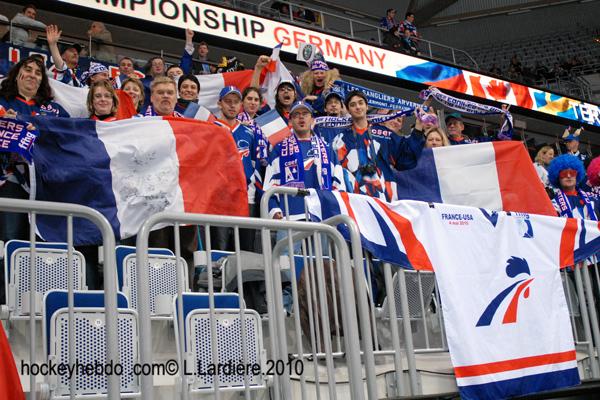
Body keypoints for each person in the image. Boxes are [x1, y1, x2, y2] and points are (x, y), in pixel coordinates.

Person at [0, 56, 69, 301]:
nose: (32, 75)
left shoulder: (54, 109)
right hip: (11, 181)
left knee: (43, 244)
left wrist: (39, 131)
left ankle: (38, 301)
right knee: (11, 239)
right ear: (17, 74)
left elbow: (69, 137)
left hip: (46, 186)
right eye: (27, 70)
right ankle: (7, 302)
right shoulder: (2, 102)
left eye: (38, 72)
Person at [330, 90, 424, 201]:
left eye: (361, 103)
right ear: (348, 110)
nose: (358, 107)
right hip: (353, 200)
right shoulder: (340, 139)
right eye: (353, 105)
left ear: (367, 106)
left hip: (384, 200)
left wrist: (418, 127)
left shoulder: (384, 134)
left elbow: (406, 159)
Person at [212, 86, 259, 251]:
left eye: (236, 102)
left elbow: (254, 164)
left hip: (246, 196)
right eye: (228, 101)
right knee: (220, 247)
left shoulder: (249, 132)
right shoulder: (211, 129)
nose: (232, 105)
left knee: (246, 248)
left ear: (241, 105)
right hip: (220, 196)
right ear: (219, 103)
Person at [549, 154, 598, 220]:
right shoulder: (553, 205)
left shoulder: (593, 197)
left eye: (572, 173)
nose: (569, 176)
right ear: (557, 177)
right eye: (564, 173)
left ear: (577, 175)